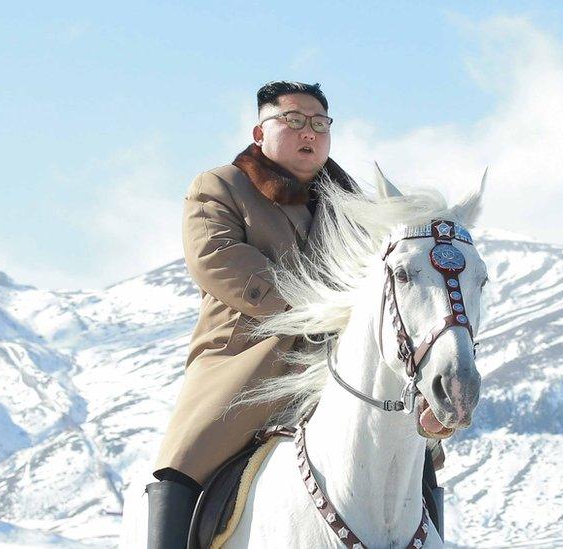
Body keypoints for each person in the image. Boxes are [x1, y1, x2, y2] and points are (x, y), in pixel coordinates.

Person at [145, 81, 441, 548]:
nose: (310, 131)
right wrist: (312, 305)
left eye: (320, 123)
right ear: (260, 133)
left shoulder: (356, 206)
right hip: (248, 358)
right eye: (294, 120)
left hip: (337, 363)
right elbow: (216, 258)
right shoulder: (221, 185)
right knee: (186, 461)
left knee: (414, 455)